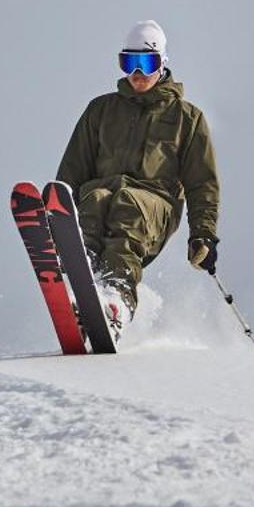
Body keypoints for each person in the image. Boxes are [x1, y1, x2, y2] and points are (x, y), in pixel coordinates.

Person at [56, 20, 220, 335]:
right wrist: (59, 215)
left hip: (155, 205)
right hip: (105, 195)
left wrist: (203, 234)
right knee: (96, 198)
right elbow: (74, 168)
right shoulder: (101, 110)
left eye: (147, 63)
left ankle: (116, 295)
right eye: (129, 63)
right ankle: (83, 275)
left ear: (162, 64)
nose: (138, 73)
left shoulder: (187, 118)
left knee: (126, 207)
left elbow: (203, 183)